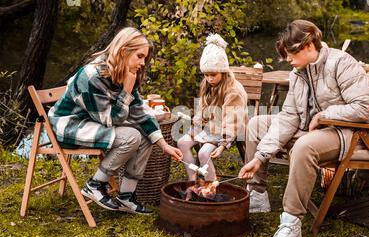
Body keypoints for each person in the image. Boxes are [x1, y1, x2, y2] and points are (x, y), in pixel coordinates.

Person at [238, 20, 369, 237]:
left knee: (303, 146)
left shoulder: (342, 63)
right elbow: (289, 115)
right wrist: (260, 157)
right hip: (309, 127)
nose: (288, 59)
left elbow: (362, 107)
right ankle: (258, 194)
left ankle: (291, 222)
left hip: (345, 132)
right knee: (256, 125)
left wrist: (323, 115)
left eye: (290, 53)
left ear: (309, 44)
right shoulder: (298, 73)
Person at [48, 27, 183, 215]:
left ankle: (126, 197)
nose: (143, 63)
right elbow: (112, 120)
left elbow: (140, 112)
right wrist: (126, 92)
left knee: (144, 135)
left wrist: (163, 145)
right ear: (124, 50)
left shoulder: (123, 72)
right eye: (140, 56)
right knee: (131, 137)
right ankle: (95, 185)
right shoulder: (93, 76)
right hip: (70, 126)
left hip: (94, 123)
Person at [177, 34, 248, 182]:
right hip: (211, 126)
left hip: (229, 129)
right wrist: (196, 127)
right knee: (182, 142)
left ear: (223, 71)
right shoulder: (208, 85)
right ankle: (193, 180)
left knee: (203, 153)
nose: (209, 79)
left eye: (213, 75)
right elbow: (202, 110)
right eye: (206, 75)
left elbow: (232, 121)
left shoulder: (233, 91)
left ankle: (210, 188)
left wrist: (222, 145)